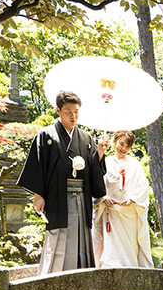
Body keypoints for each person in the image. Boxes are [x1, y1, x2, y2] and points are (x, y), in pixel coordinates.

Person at [17, 90, 109, 274]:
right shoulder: (46, 135)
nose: (73, 115)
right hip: (58, 197)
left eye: (76, 111)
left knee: (82, 238)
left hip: (82, 198)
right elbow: (38, 166)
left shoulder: (86, 139)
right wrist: (38, 195)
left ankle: (81, 280)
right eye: (68, 111)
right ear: (58, 110)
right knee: (57, 238)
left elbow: (94, 171)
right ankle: (52, 280)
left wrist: (99, 154)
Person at [92, 130, 153, 269]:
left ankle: (131, 276)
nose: (123, 148)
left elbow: (143, 186)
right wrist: (103, 197)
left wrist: (132, 199)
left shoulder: (135, 164)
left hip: (129, 213)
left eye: (127, 146)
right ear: (114, 142)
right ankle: (108, 278)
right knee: (110, 247)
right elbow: (97, 183)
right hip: (110, 212)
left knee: (129, 246)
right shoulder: (105, 162)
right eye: (121, 144)